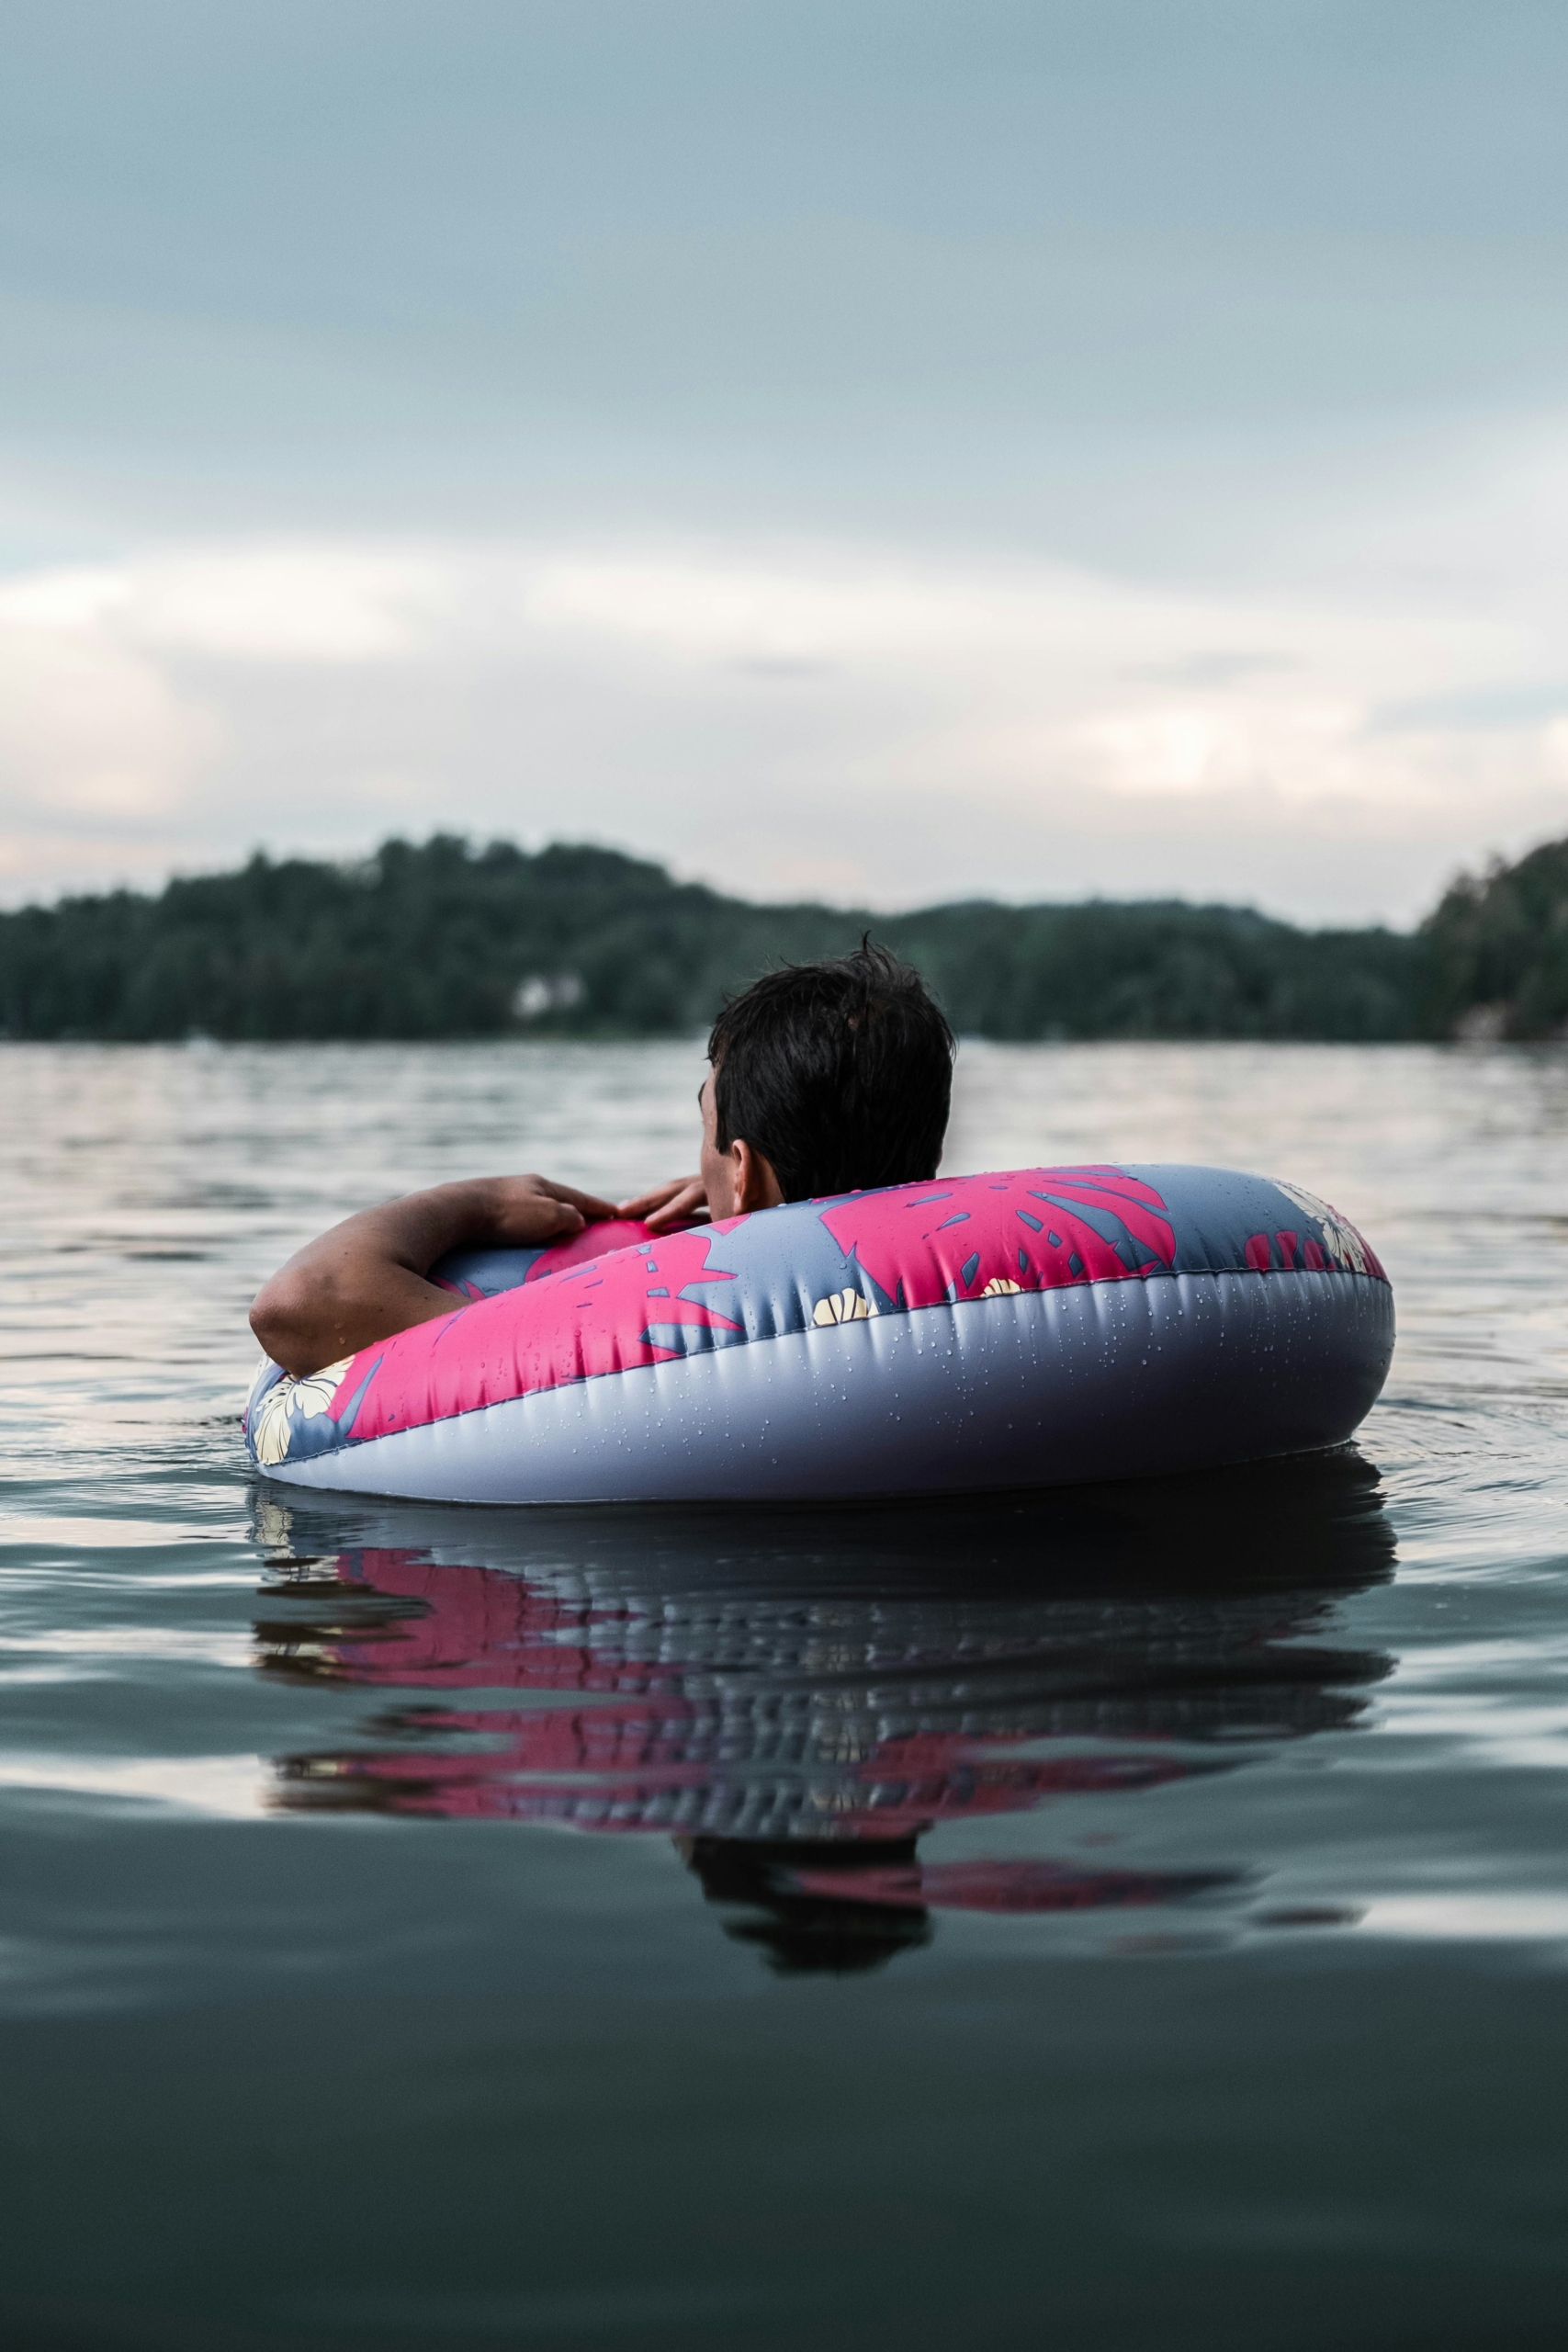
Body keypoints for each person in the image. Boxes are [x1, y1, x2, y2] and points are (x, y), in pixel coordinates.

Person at [250, 940, 954, 1379]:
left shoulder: (650, 1335)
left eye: (706, 1128)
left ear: (740, 1168)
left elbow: (300, 1306)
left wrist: (478, 1202)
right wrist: (757, 1206)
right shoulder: (973, 1315)